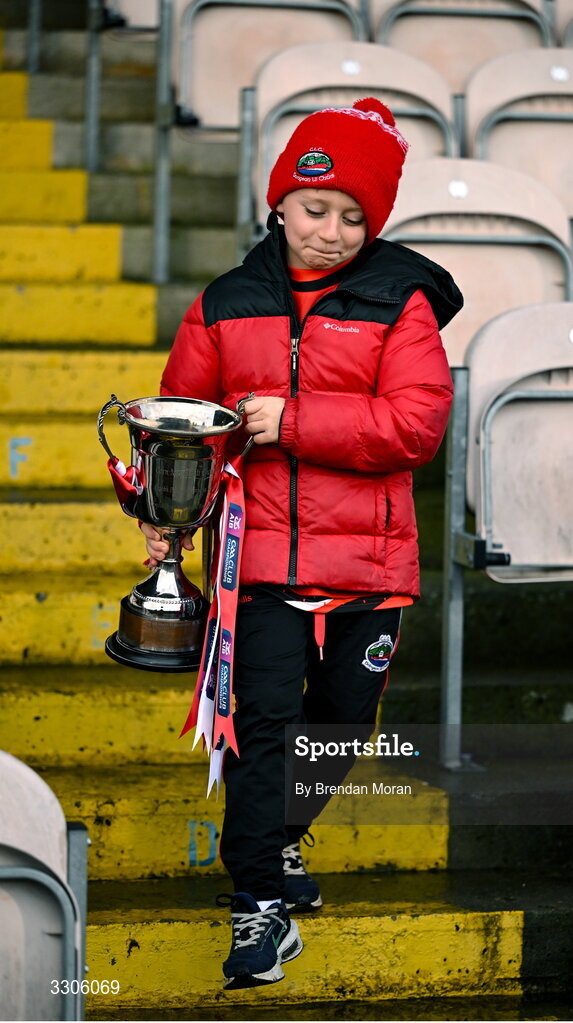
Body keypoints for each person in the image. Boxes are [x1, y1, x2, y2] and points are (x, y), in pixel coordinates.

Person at [141, 98, 463, 990]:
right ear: (280, 202)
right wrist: (162, 518)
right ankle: (257, 910)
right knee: (261, 730)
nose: (329, 231)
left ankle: (277, 846)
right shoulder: (224, 304)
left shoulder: (402, 302)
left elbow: (416, 424)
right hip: (261, 569)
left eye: (353, 217)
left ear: (378, 222)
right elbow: (187, 428)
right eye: (314, 209)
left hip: (367, 566)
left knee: (336, 728)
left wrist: (294, 420)